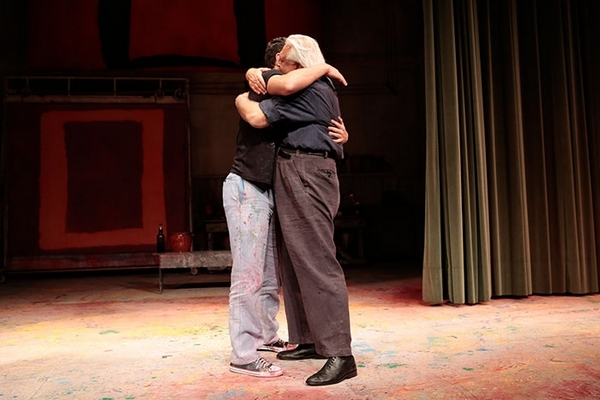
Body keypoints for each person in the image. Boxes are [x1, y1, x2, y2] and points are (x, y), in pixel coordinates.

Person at [235, 34, 357, 386]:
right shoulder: (304, 87)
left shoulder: (309, 89)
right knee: (294, 260)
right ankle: (310, 339)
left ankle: (340, 353)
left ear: (300, 65)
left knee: (317, 261)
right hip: (294, 169)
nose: (277, 65)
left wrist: (243, 93)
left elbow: (257, 116)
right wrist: (251, 74)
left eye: (284, 60)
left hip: (308, 171)